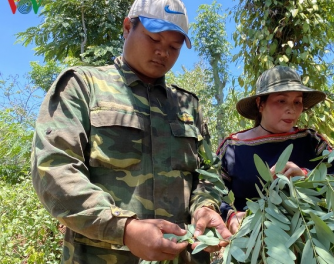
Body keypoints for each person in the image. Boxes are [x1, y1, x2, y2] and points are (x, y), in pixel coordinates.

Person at [30, 0, 230, 263]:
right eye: (154, 39)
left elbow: (208, 172)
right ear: (127, 27)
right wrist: (124, 229)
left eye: (174, 46)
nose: (163, 52)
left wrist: (205, 207)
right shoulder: (83, 87)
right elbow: (53, 170)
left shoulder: (187, 105)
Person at [217, 66, 334, 234]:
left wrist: (306, 176)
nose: (292, 109)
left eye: (297, 102)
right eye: (282, 101)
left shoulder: (311, 141)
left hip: (308, 245)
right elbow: (211, 192)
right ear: (260, 103)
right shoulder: (233, 147)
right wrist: (231, 216)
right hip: (248, 243)